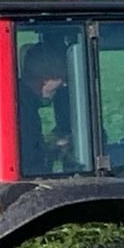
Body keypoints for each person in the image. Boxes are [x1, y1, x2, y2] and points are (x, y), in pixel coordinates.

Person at [18, 43, 74, 175]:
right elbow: (28, 161)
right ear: (46, 77)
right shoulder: (21, 110)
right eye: (62, 75)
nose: (65, 83)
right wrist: (54, 148)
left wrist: (50, 144)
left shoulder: (24, 102)